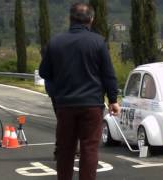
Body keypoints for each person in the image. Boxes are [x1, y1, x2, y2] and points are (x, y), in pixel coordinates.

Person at [39, 3, 120, 180]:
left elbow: (44, 72)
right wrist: (113, 99)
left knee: (65, 148)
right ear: (91, 19)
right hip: (92, 105)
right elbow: (108, 74)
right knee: (89, 148)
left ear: (70, 19)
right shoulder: (98, 42)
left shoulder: (55, 42)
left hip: (65, 104)